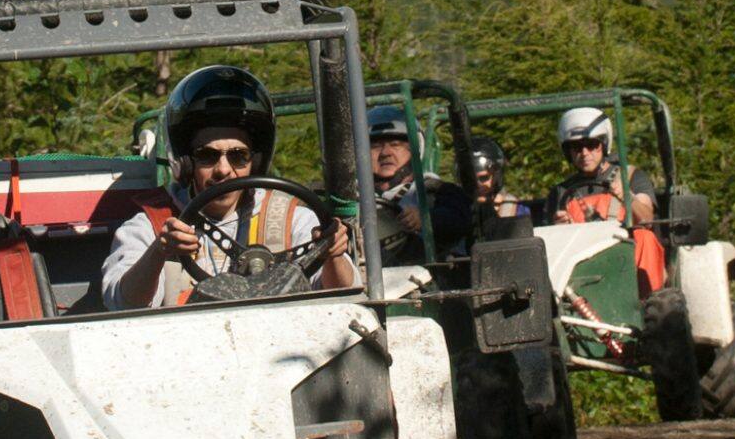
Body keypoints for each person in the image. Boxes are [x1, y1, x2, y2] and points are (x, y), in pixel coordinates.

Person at [102, 65, 356, 309]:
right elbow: (122, 303)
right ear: (186, 163)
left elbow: (344, 294)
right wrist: (159, 251)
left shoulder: (294, 219)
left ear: (255, 161)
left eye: (238, 156)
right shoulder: (153, 225)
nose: (223, 170)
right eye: (207, 155)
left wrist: (331, 253)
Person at [364, 104, 471, 265]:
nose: (385, 153)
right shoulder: (355, 201)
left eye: (395, 144)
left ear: (414, 149)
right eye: (376, 146)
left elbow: (459, 219)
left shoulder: (438, 191)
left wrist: (426, 219)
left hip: (433, 285)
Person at [539, 106, 658, 227]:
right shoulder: (560, 192)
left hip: (627, 244)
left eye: (592, 144)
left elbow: (647, 221)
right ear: (568, 152)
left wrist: (628, 197)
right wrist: (560, 227)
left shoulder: (630, 176)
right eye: (576, 147)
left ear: (604, 145)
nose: (585, 153)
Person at [465, 135, 528, 222]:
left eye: (484, 178)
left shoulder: (518, 211)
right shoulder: (455, 214)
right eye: (471, 179)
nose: (478, 184)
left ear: (497, 177)